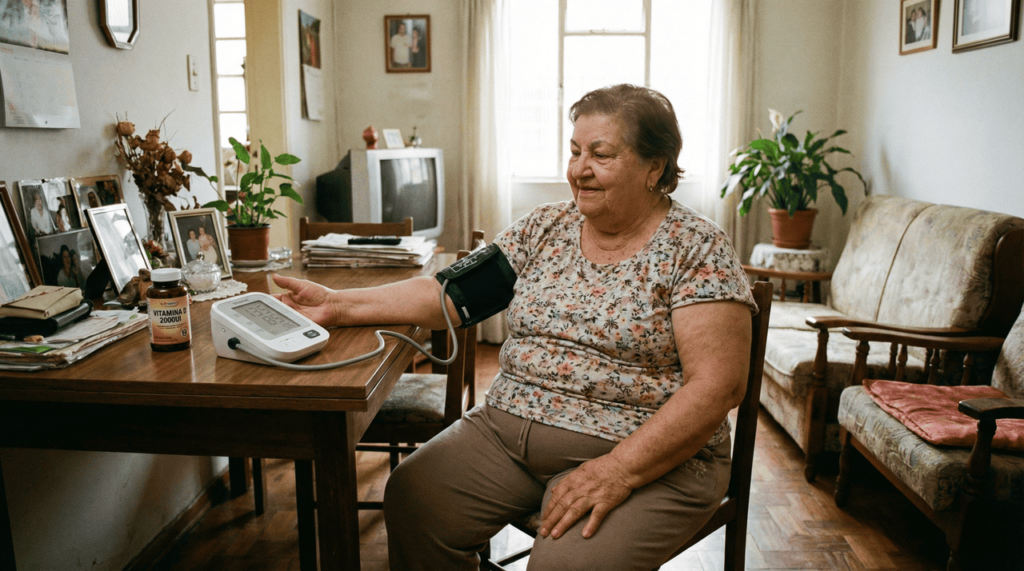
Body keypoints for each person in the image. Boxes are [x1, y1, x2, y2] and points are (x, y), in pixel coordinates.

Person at [271, 84, 756, 570]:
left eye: (601, 154)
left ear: (656, 167)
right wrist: (339, 305)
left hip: (646, 455)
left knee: (564, 565)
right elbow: (446, 294)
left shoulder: (696, 248)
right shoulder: (544, 227)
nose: (579, 169)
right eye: (574, 151)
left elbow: (718, 387)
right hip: (506, 432)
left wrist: (617, 470)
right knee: (415, 498)